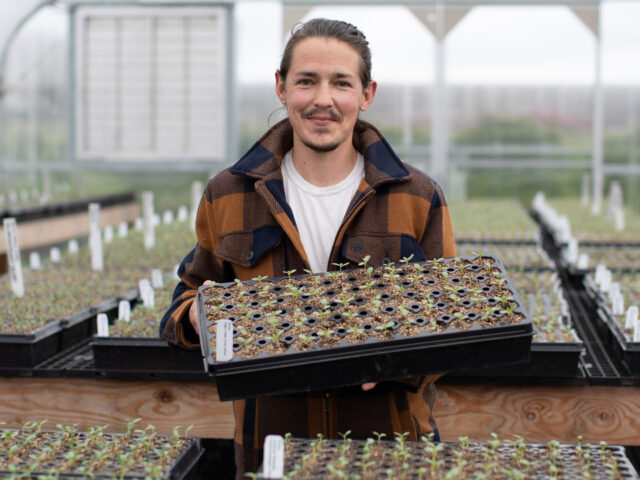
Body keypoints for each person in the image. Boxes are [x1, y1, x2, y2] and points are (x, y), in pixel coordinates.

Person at [160, 18, 456, 478]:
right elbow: (185, 300)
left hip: (391, 453)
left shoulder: (415, 196)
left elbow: (455, 319)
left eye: (341, 82)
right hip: (271, 452)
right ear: (281, 88)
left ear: (366, 93)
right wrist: (197, 316)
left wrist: (398, 359)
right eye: (306, 81)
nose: (323, 100)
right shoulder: (230, 193)